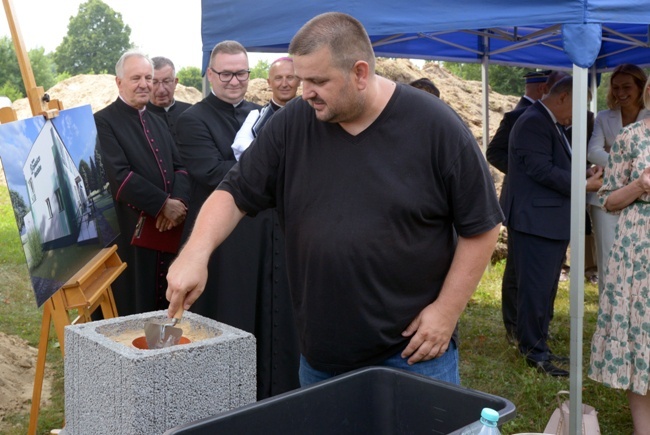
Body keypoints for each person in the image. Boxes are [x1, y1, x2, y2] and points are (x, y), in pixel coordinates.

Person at [166, 12, 503, 388]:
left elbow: (482, 227)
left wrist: (446, 312)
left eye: (318, 80)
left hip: (412, 356)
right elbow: (233, 193)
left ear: (360, 73)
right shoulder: (292, 123)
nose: (305, 91)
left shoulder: (436, 128)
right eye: (301, 79)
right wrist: (196, 252)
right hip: (321, 357)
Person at [175, 41, 299, 400]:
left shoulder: (260, 113)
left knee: (267, 318)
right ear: (210, 74)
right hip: (224, 244)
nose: (234, 80)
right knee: (231, 317)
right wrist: (275, 170)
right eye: (226, 73)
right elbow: (213, 171)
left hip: (264, 239)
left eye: (241, 73)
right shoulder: (192, 120)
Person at [504, 76, 602, 377]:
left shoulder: (549, 122)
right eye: (578, 105)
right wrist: (584, 183)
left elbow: (554, 164)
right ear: (563, 97)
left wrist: (583, 170)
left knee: (542, 287)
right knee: (536, 287)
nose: (577, 114)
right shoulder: (534, 121)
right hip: (537, 220)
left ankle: (536, 342)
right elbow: (541, 170)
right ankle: (535, 353)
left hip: (545, 219)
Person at [95, 50, 190, 316]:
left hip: (167, 229)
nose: (145, 84)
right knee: (135, 303)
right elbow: (119, 176)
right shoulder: (103, 121)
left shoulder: (157, 120)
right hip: (130, 232)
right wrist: (161, 205)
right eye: (136, 77)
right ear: (119, 82)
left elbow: (181, 166)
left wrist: (178, 204)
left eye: (148, 77)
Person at [486, 70, 569, 346]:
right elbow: (495, 153)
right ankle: (517, 327)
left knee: (533, 274)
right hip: (527, 202)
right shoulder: (520, 116)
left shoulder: (553, 119)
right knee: (519, 273)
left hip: (544, 204)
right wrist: (524, 175)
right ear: (547, 88)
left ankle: (533, 330)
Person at [589, 75, 650, 433]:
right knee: (640, 334)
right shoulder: (631, 138)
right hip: (638, 251)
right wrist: (640, 185)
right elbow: (609, 200)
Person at [587, 64, 650, 296]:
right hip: (606, 197)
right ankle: (608, 311)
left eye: (626, 87)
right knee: (608, 258)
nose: (620, 93)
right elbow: (592, 151)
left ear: (641, 87)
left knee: (642, 263)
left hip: (643, 199)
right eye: (615, 88)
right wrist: (628, 165)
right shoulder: (604, 117)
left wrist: (613, 159)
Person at [232, 56, 301, 160]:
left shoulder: (312, 114)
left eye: (290, 77)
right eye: (278, 78)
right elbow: (241, 147)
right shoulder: (256, 117)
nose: (284, 84)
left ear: (299, 81)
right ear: (269, 82)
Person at [146, 56, 193, 142]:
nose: (161, 90)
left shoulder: (192, 113)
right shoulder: (138, 117)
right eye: (154, 82)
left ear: (175, 82)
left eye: (166, 81)